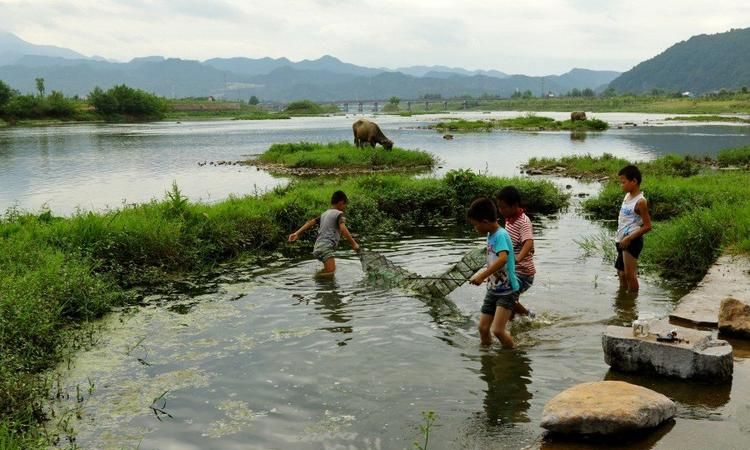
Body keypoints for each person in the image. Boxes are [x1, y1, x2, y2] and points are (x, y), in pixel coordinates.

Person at [467, 197, 520, 348]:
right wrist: (486, 276)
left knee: (497, 330)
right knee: (483, 329)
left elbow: (503, 259)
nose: (475, 228)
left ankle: (513, 357)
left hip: (507, 290)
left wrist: (482, 275)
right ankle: (486, 357)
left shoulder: (501, 235)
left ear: (484, 221)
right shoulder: (490, 235)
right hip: (493, 289)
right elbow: (493, 260)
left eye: (475, 224)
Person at [288, 190, 360, 274]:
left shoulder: (325, 213)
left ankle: (318, 278)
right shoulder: (339, 213)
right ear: (341, 203)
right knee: (330, 273)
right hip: (326, 248)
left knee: (328, 271)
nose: (345, 207)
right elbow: (343, 228)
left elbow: (310, 223)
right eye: (345, 204)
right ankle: (313, 279)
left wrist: (296, 233)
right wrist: (353, 244)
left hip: (317, 247)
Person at [495, 186, 536, 319]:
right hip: (513, 270)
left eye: (503, 207)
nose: (500, 211)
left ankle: (528, 315)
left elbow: (528, 242)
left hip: (523, 272)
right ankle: (515, 326)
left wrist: (518, 258)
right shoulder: (510, 220)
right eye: (499, 207)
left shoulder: (523, 221)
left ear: (515, 205)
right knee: (508, 302)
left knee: (505, 296)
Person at [615, 165, 652, 292]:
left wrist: (629, 238)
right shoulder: (627, 196)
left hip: (632, 241)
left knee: (630, 275)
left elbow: (648, 226)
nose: (622, 185)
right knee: (621, 274)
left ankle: (632, 306)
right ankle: (623, 303)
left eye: (624, 182)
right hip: (621, 239)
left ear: (634, 181)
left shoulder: (640, 201)